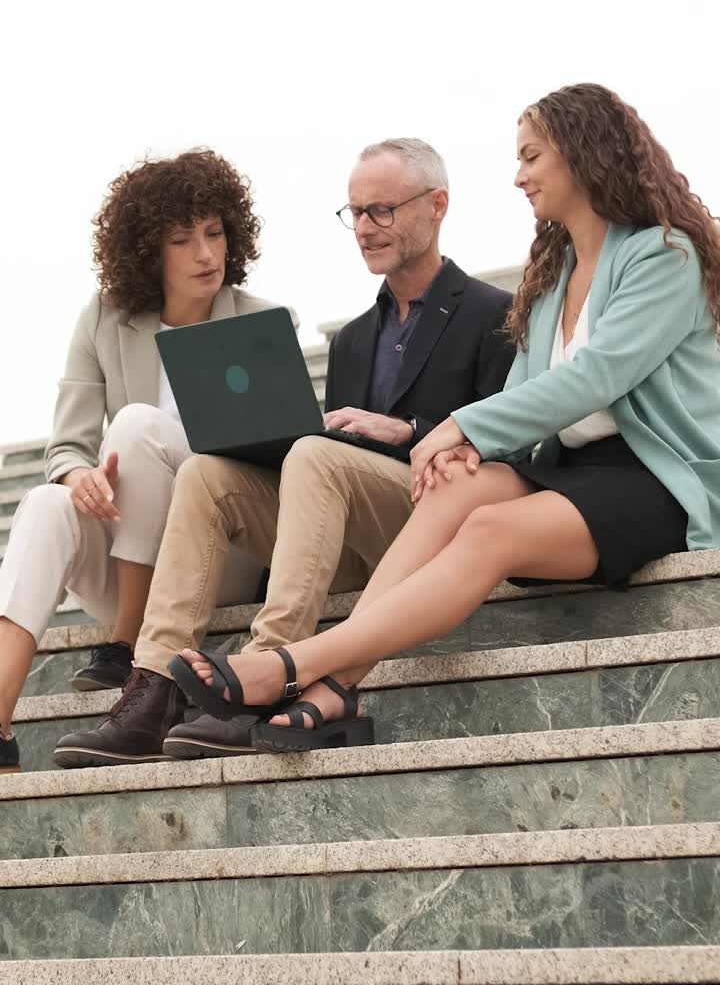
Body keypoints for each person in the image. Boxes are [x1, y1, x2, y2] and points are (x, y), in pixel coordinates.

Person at [167, 84, 720, 753]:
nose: (519, 176)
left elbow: (597, 376)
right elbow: (526, 386)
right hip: (569, 469)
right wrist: (464, 452)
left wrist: (460, 429)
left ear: (583, 153)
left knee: (489, 527)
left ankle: (294, 666)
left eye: (532, 156)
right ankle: (337, 690)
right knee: (457, 487)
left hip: (655, 477)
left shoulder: (664, 255)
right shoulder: (556, 272)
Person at [53, 137, 515, 767]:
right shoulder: (354, 340)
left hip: (438, 528)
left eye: (383, 209)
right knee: (208, 471)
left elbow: (514, 445)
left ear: (437, 205)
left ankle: (263, 671)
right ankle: (154, 687)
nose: (365, 227)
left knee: (314, 454)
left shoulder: (497, 313)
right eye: (354, 212)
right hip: (347, 541)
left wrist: (411, 430)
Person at [0, 149, 280, 774]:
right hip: (131, 554)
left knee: (136, 425)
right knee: (46, 500)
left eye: (214, 233)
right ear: (147, 253)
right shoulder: (104, 320)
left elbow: (283, 467)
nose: (207, 254)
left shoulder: (260, 323)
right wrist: (80, 476)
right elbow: (67, 445)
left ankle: (129, 647)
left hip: (223, 554)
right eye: (184, 240)